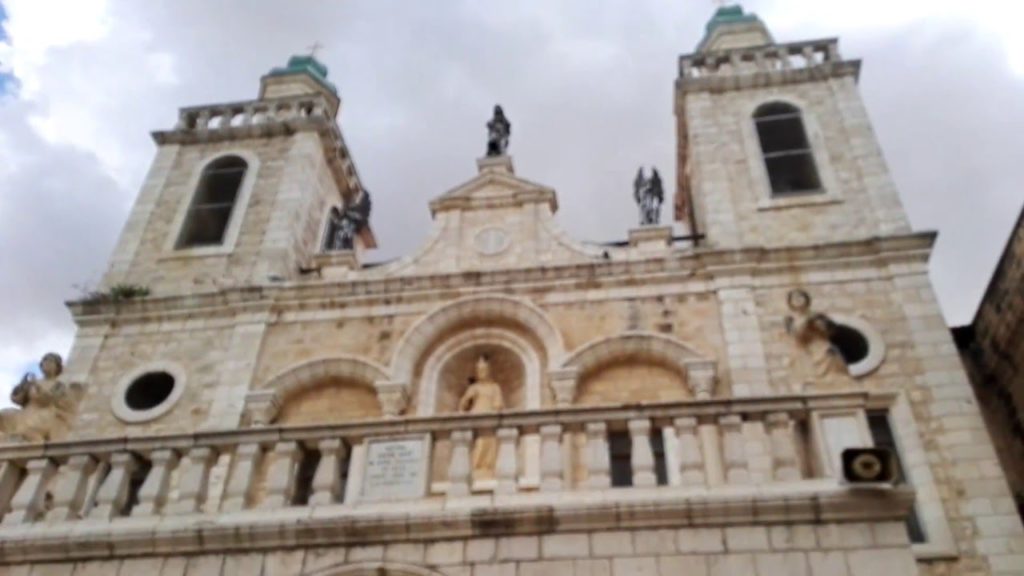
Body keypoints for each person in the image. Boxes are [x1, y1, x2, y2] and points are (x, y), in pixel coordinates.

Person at [0, 353, 84, 443]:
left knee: (26, 430)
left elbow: (47, 400)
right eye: (45, 361)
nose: (47, 364)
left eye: (51, 362)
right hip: (27, 411)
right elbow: (18, 400)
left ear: (57, 367)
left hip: (45, 413)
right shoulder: (34, 382)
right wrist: (21, 388)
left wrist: (36, 385)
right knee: (3, 415)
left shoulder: (59, 386)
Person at [458, 355, 505, 479]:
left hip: (490, 416)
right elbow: (463, 404)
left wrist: (496, 408)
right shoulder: (474, 387)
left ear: (489, 371)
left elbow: (499, 403)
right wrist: (466, 402)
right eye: (479, 370)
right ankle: (477, 467)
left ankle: (488, 468)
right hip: (477, 415)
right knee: (479, 443)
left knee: (490, 444)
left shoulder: (495, 387)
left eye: (484, 370)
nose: (481, 373)